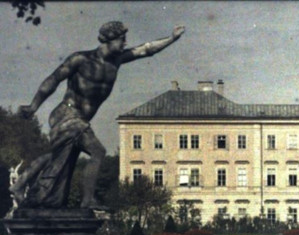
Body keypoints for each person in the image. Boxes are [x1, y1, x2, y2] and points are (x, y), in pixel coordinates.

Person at [12, 21, 185, 209]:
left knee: (59, 156)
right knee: (97, 151)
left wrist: (172, 39)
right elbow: (53, 80)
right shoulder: (80, 59)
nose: (125, 43)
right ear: (108, 40)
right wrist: (33, 106)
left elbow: (146, 50)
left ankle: (20, 184)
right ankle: (87, 201)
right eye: (121, 40)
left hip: (81, 119)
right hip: (67, 113)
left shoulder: (117, 61)